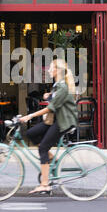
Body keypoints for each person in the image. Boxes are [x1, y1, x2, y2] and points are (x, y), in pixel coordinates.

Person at [19, 59, 78, 195]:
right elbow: (55, 98)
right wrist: (49, 95)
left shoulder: (62, 87)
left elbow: (51, 107)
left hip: (63, 122)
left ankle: (45, 184)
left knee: (43, 148)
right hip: (54, 120)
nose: (49, 70)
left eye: (51, 68)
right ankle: (51, 159)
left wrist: (30, 116)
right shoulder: (57, 85)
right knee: (31, 133)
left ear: (57, 70)